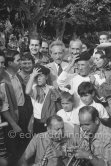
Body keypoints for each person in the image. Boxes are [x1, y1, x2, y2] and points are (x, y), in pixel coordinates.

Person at [26, 64, 61, 134]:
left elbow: (58, 103)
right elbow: (27, 91)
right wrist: (32, 76)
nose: (38, 78)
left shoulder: (52, 88)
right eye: (36, 76)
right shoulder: (34, 88)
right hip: (38, 121)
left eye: (41, 76)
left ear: (46, 77)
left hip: (50, 121)